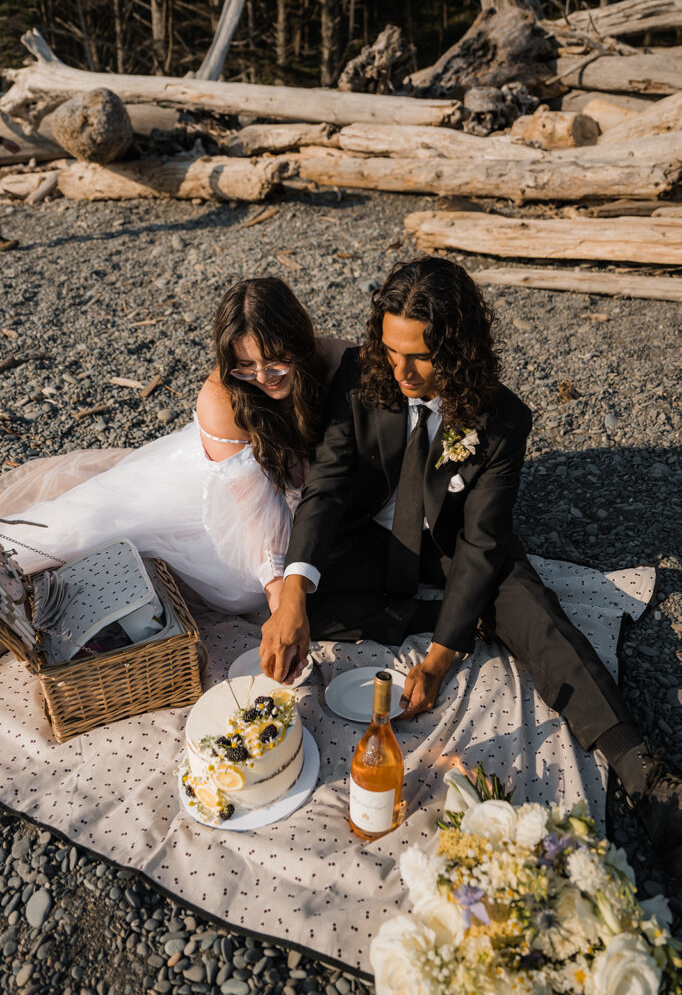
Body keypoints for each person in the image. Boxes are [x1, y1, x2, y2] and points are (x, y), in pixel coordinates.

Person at [259, 256, 682, 876]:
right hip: (373, 540)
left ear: (456, 351)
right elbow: (324, 489)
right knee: (293, 600)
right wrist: (294, 594)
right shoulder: (360, 375)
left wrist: (440, 655)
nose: (399, 371)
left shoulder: (502, 419)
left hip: (459, 544)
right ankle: (456, 612)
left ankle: (643, 772)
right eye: (390, 350)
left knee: (533, 611)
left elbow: (483, 541)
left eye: (419, 357)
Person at [0, 277, 346, 614]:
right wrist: (280, 600)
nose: (263, 378)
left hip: (309, 489)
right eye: (245, 366)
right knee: (78, 533)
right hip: (219, 493)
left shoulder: (336, 360)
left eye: (276, 362)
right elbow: (257, 512)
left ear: (299, 343)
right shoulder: (220, 398)